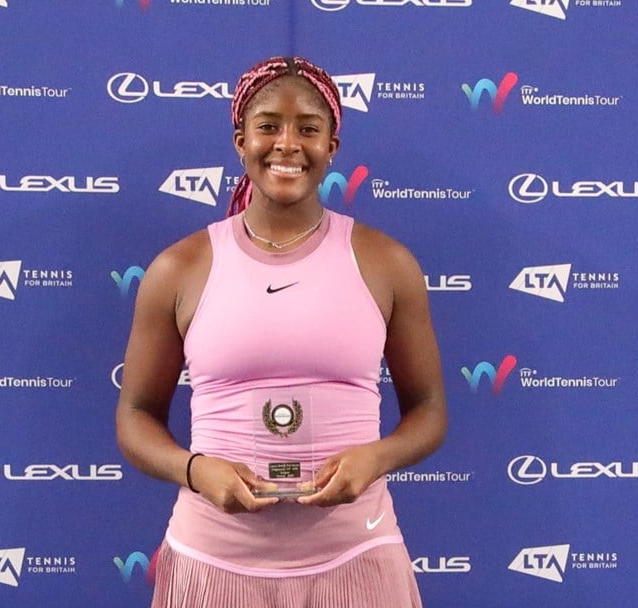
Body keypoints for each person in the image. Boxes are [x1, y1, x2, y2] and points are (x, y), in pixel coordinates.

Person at [115, 56, 447, 608]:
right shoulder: (179, 268)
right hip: (212, 563)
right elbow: (134, 417)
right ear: (240, 140)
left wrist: (376, 458)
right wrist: (197, 471)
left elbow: (430, 407)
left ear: (332, 146)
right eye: (268, 125)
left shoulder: (386, 262)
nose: (287, 144)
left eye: (309, 129)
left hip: (357, 558)